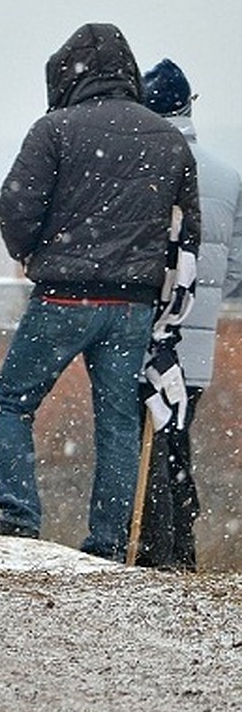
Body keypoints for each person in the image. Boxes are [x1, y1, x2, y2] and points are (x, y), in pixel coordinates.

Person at [0, 24, 200, 562]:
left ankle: (20, 516)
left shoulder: (54, 130)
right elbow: (184, 234)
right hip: (132, 306)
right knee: (119, 425)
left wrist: (30, 254)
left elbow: (16, 206)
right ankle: (104, 542)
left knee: (11, 403)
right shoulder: (169, 140)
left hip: (62, 298)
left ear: (68, 73)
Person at [137, 58, 242, 570]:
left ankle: (158, 551)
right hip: (197, 345)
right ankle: (182, 544)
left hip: (147, 334)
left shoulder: (145, 166)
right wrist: (201, 303)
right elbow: (237, 270)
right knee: (176, 438)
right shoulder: (228, 176)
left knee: (148, 445)